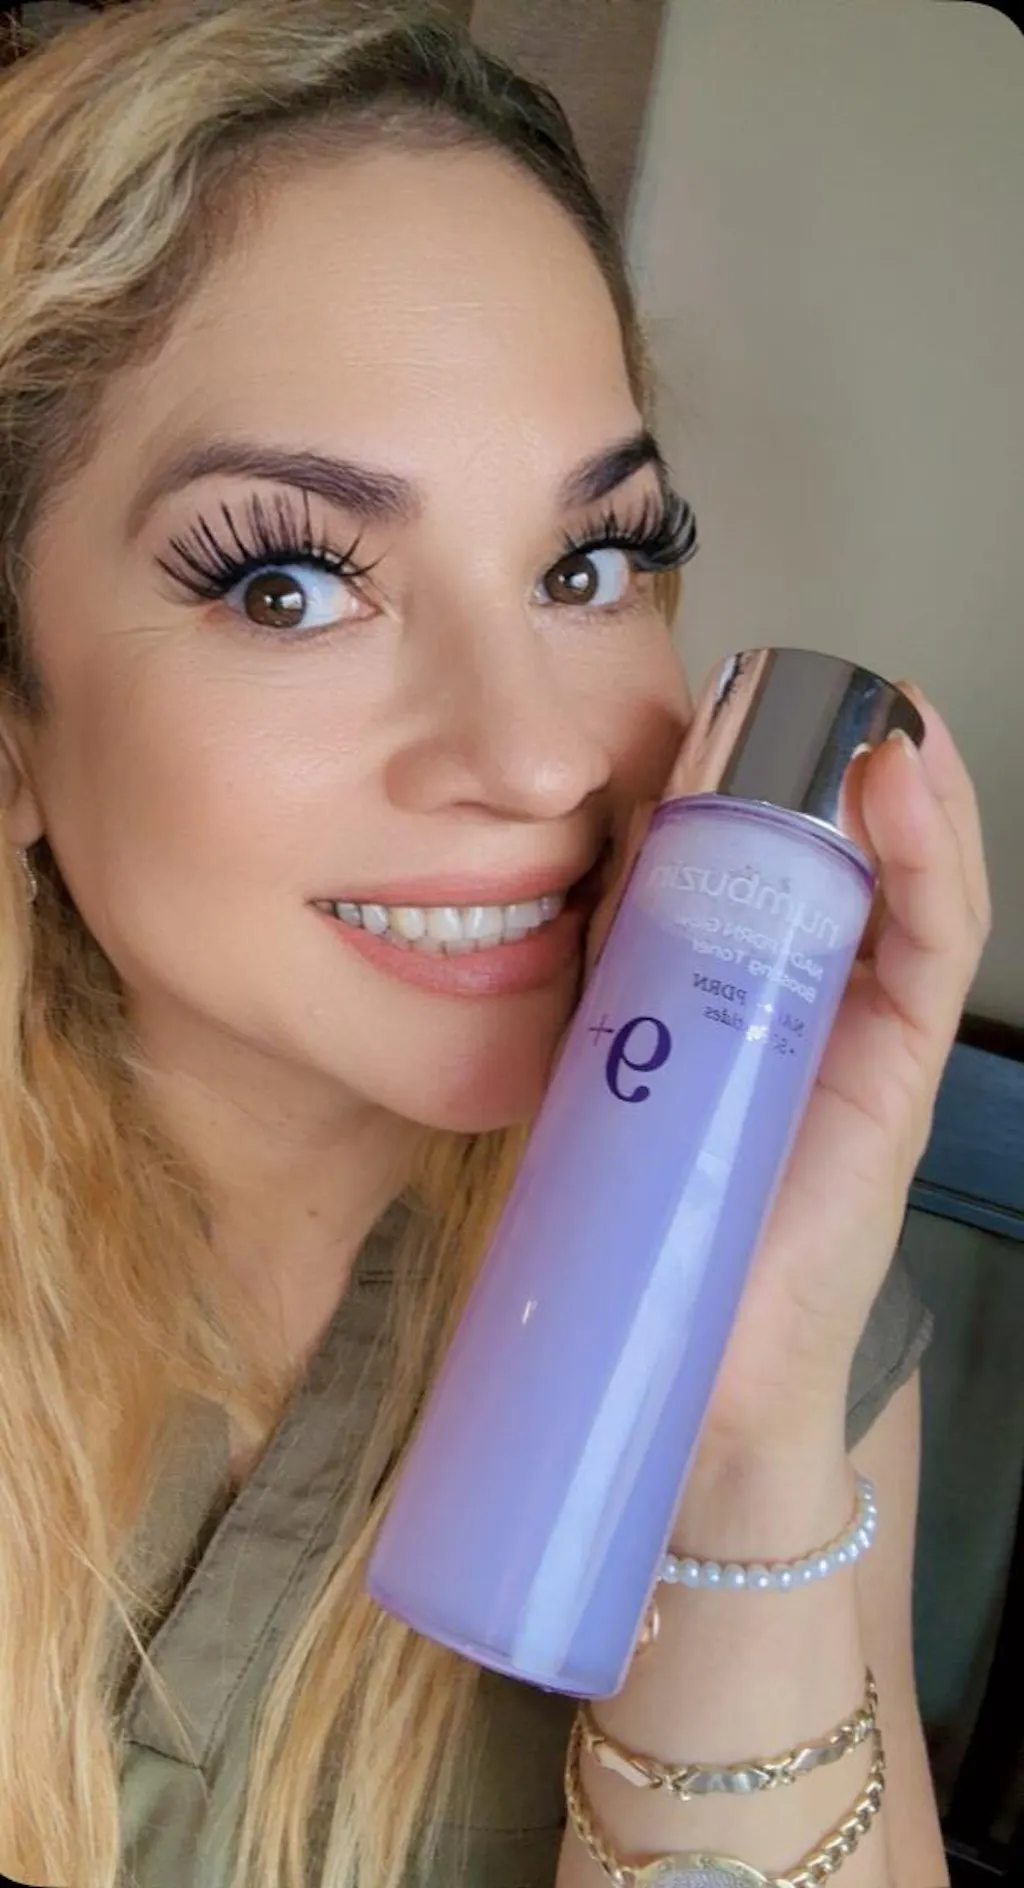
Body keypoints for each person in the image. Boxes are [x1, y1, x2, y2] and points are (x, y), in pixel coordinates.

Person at [0, 2, 988, 1885]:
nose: (543, 759)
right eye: (287, 585)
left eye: (588, 564)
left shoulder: (783, 1293)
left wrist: (742, 1438)